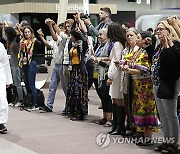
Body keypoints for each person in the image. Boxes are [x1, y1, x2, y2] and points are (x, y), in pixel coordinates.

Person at [119, 30, 158, 144]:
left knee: (146, 110)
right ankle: (142, 135)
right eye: (128, 36)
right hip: (137, 85)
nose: (132, 38)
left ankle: (148, 137)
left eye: (136, 37)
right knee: (138, 109)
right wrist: (125, 66)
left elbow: (142, 69)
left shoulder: (144, 52)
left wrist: (127, 69)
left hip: (144, 85)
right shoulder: (136, 52)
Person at [152, 20, 180, 153]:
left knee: (171, 114)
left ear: (169, 31)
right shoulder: (158, 46)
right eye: (157, 29)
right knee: (162, 114)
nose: (159, 32)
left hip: (169, 83)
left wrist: (169, 47)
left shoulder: (175, 46)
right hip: (157, 83)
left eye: (161, 29)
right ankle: (166, 140)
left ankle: (174, 143)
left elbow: (175, 63)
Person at [37, 19, 68, 112]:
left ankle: (69, 105)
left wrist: (50, 25)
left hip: (63, 65)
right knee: (52, 86)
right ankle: (49, 105)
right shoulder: (57, 40)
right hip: (56, 65)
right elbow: (48, 45)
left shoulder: (64, 39)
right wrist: (41, 37)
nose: (60, 30)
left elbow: (55, 37)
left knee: (65, 87)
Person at [106, 23, 126, 135]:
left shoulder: (117, 44)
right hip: (116, 74)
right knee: (115, 99)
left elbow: (116, 61)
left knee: (118, 100)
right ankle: (116, 125)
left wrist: (111, 76)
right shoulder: (117, 43)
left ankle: (119, 126)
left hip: (117, 75)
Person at [91, 28, 112, 126]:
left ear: (107, 35)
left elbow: (111, 58)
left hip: (105, 73)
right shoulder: (100, 45)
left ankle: (109, 118)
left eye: (101, 34)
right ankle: (104, 117)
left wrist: (99, 59)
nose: (99, 36)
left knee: (106, 96)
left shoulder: (110, 45)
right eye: (98, 34)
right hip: (97, 73)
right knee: (101, 96)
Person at [66, 30, 88, 121]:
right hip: (73, 70)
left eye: (72, 36)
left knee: (80, 91)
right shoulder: (73, 44)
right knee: (73, 91)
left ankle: (81, 112)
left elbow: (85, 41)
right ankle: (74, 110)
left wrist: (80, 33)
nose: (71, 38)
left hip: (80, 71)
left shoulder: (81, 44)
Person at [18, 26, 41, 111]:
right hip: (24, 63)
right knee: (26, 84)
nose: (27, 34)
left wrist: (40, 36)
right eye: (25, 32)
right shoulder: (22, 41)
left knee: (32, 84)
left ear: (31, 33)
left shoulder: (34, 41)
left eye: (28, 32)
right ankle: (29, 101)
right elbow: (20, 52)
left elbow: (41, 45)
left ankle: (35, 104)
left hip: (32, 63)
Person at [5, 27, 24, 107]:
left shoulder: (15, 43)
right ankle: (15, 98)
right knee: (13, 83)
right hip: (11, 63)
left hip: (15, 64)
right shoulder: (10, 42)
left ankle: (21, 99)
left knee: (17, 83)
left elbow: (18, 54)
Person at [0, 42, 13, 133]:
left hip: (0, 74)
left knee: (2, 98)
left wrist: (8, 80)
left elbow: (5, 63)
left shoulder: (0, 46)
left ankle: (1, 122)